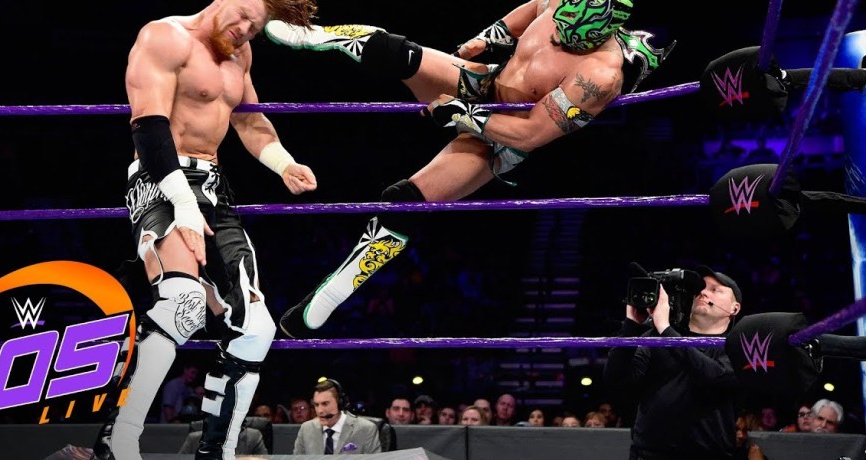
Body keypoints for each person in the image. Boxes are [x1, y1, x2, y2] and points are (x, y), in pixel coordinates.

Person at [263, 0, 673, 338]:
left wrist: (462, 114)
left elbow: (530, 134)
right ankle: (311, 35)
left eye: (570, 39)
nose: (557, 37)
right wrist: (487, 38)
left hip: (504, 135)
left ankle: (324, 300)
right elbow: (531, 9)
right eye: (559, 26)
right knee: (393, 50)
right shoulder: (556, 4)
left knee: (402, 202)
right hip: (485, 83)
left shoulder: (599, 76)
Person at [90, 1, 319, 459]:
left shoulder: (240, 54)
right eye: (242, 16)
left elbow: (249, 120)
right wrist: (182, 204)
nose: (245, 30)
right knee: (184, 304)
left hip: (215, 189)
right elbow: (148, 127)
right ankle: (118, 438)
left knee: (257, 329)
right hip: (160, 179)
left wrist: (284, 163)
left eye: (255, 28)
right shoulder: (163, 37)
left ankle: (218, 451)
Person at [604, 265, 743, 460]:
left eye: (715, 290)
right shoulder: (656, 336)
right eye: (700, 289)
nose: (703, 293)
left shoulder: (738, 346)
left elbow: (715, 376)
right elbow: (616, 379)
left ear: (734, 308)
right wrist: (631, 326)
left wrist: (665, 329)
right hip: (649, 454)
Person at [292, 380, 382, 455]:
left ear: (340, 404)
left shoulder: (366, 429)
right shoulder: (306, 429)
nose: (320, 411)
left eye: (325, 404)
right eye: (316, 405)